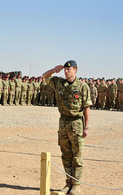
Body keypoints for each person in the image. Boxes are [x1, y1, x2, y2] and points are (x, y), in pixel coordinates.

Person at [42, 60, 92, 195]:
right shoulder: (59, 83)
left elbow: (86, 108)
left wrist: (86, 127)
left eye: (68, 69)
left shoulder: (82, 86)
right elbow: (44, 77)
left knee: (77, 156)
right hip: (63, 123)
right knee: (66, 155)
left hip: (76, 123)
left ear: (75, 70)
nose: (66, 71)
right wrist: (54, 69)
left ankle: (76, 185)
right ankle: (68, 183)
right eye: (65, 69)